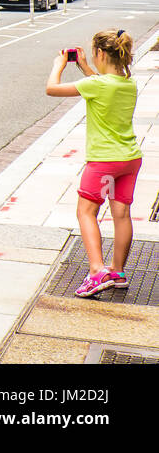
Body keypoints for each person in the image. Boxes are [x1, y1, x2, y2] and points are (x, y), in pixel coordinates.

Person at [45, 30, 143, 297]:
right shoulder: (127, 83)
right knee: (121, 214)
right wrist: (86, 66)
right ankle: (118, 272)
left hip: (103, 162)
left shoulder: (97, 86)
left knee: (86, 212)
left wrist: (58, 66)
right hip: (130, 159)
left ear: (101, 53)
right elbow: (102, 82)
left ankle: (97, 270)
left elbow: (51, 89)